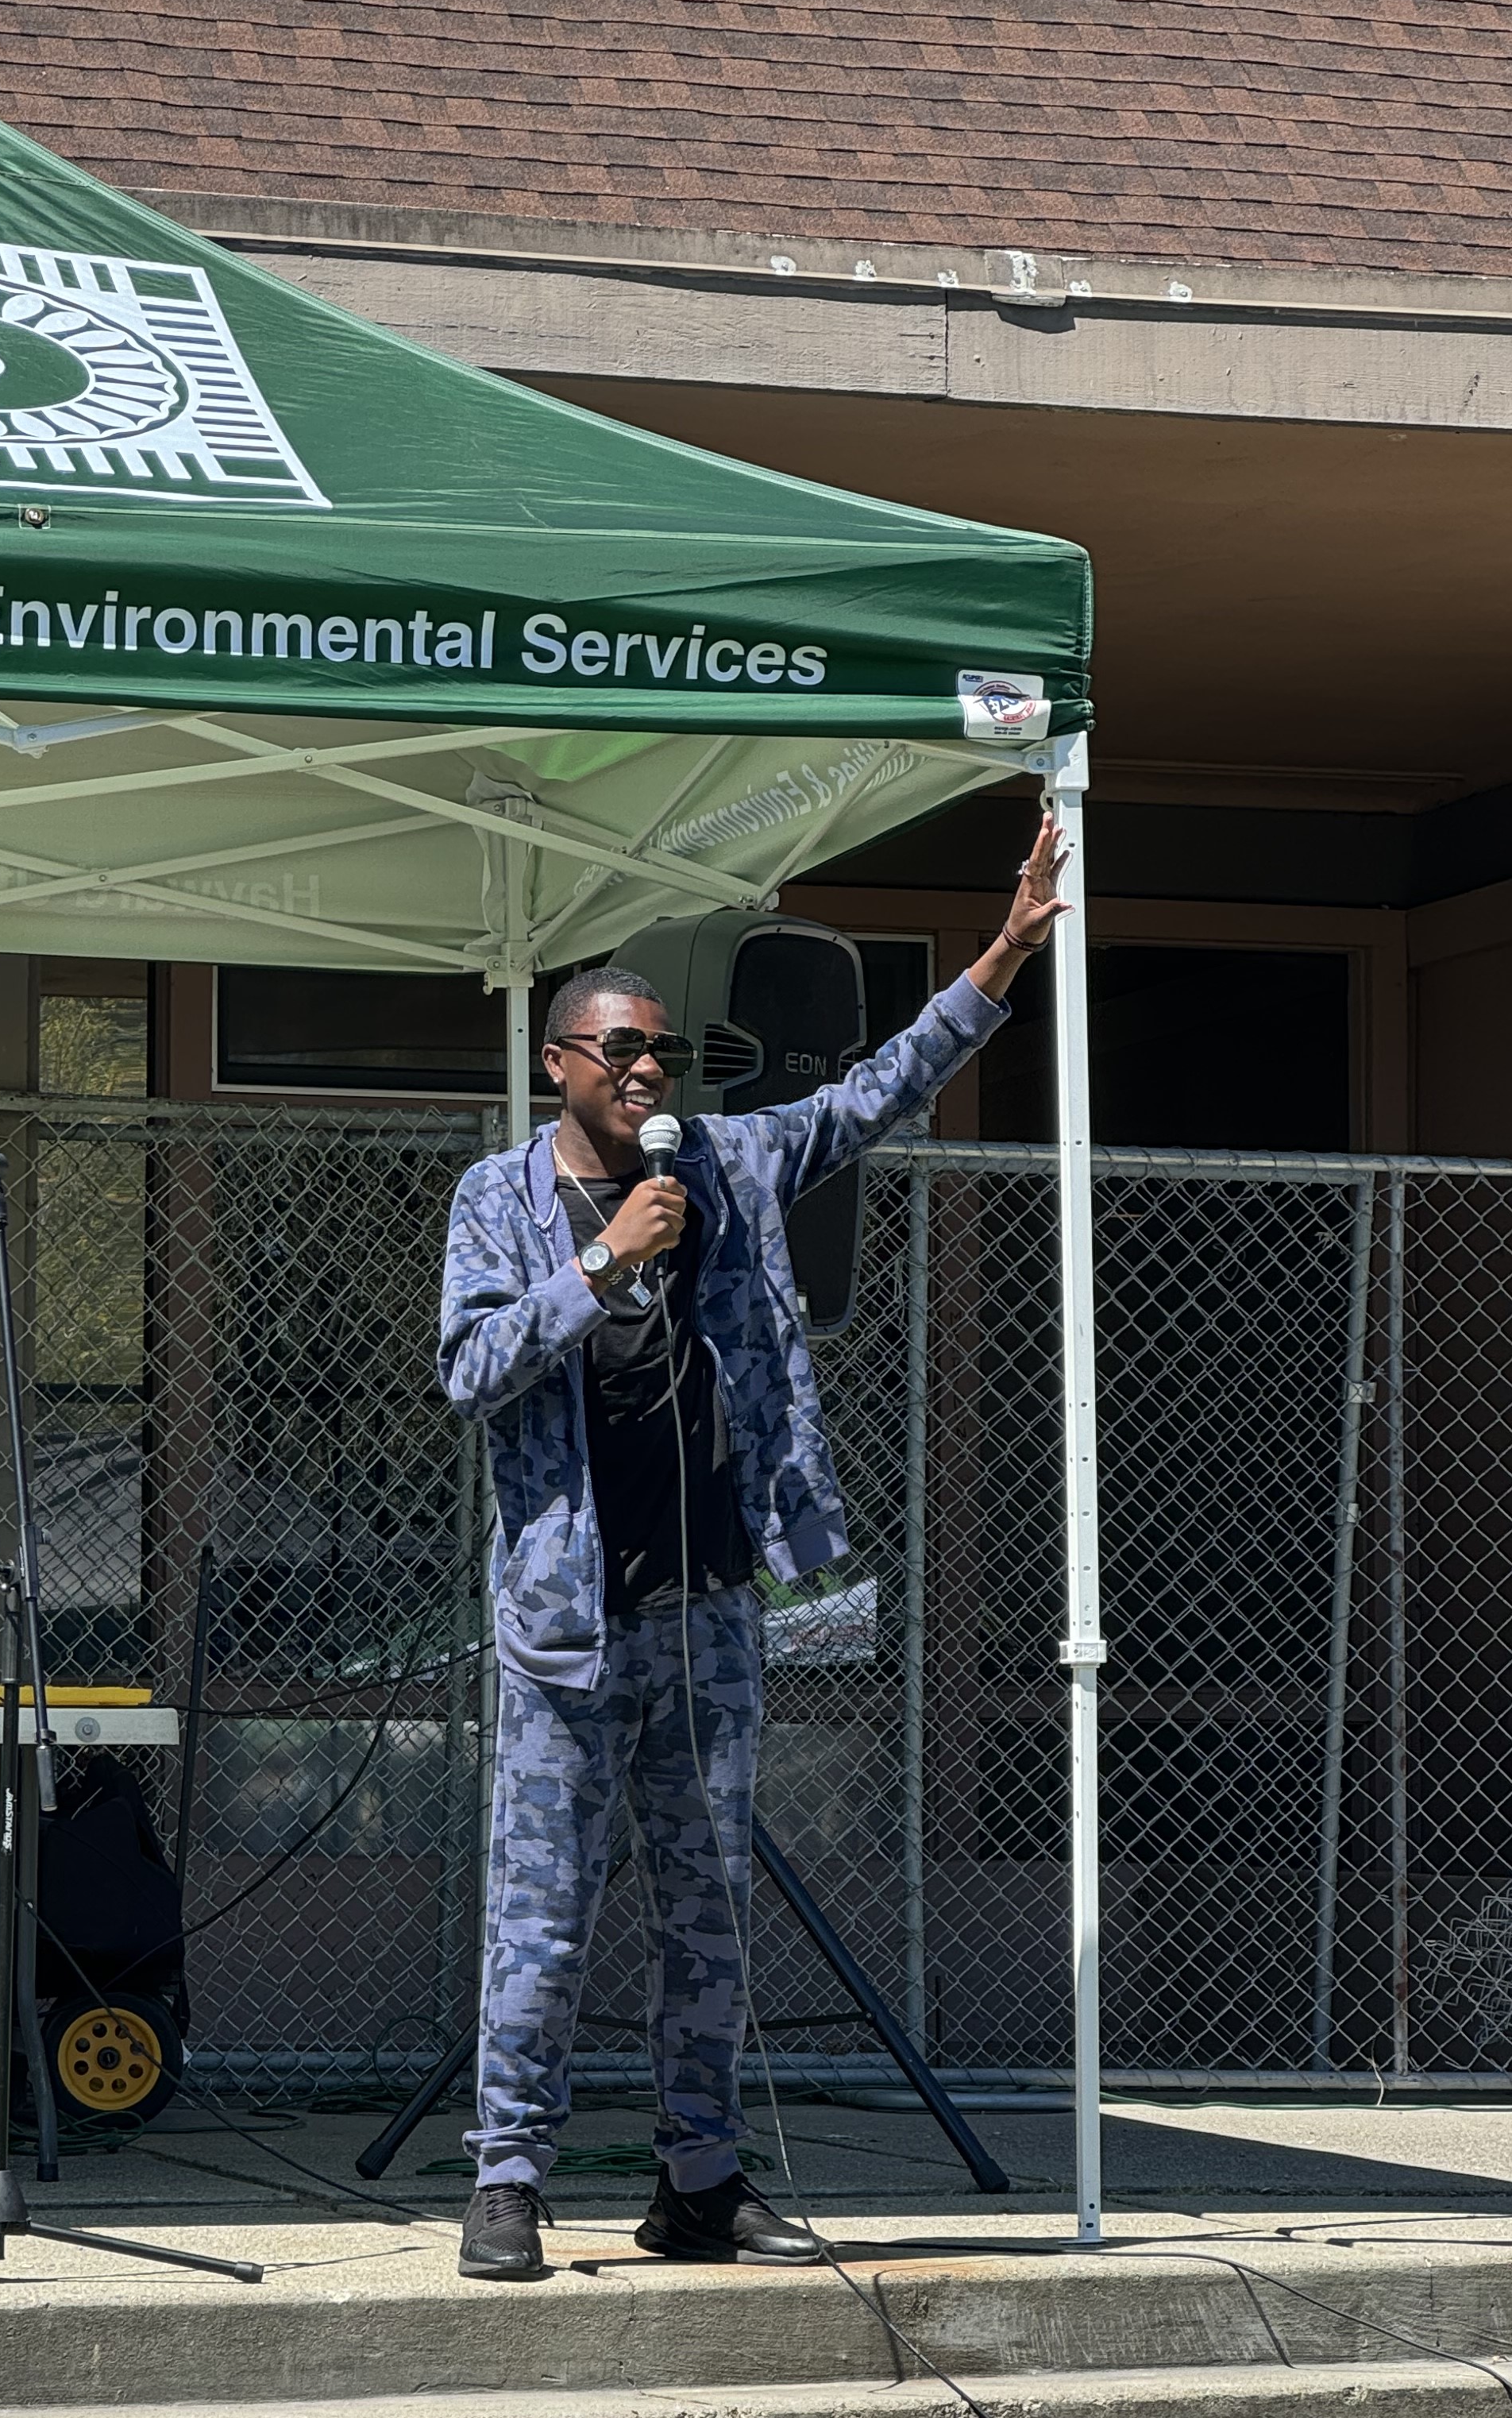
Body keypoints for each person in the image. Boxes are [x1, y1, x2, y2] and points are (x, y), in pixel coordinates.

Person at [438, 813, 1070, 2278]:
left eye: (663, 1051)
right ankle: (509, 2180)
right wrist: (603, 1261)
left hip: (708, 1615)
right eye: (619, 1051)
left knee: (703, 1919)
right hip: (565, 1625)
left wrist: (1002, 952)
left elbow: (871, 1095)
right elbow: (468, 1371)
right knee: (536, 1922)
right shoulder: (501, 1198)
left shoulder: (724, 1164)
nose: (648, 1072)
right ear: (558, 1063)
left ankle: (699, 2181)